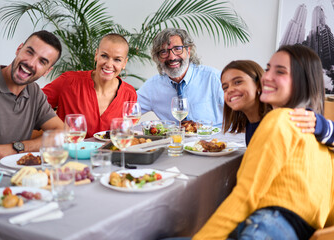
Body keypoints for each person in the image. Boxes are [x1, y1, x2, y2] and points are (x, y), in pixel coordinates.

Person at [193, 45, 334, 240]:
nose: (266, 77)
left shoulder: (280, 120)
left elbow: (245, 195)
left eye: (280, 71)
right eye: (268, 69)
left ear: (302, 81)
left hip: (268, 226)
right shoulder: (316, 135)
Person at [0, 30, 64, 163]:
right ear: (19, 49)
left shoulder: (34, 92)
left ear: (47, 71)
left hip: (18, 178)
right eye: (29, 52)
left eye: (42, 61)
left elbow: (62, 133)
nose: (31, 63)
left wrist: (16, 148)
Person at [221, 60, 334, 148]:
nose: (230, 90)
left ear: (260, 85)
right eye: (225, 87)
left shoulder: (284, 118)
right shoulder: (250, 124)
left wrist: (318, 124)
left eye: (238, 82)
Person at [42, 33, 137, 138]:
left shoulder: (129, 94)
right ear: (96, 55)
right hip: (70, 153)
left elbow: (126, 133)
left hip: (111, 154)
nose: (109, 64)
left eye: (117, 60)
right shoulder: (68, 81)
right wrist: (56, 125)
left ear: (124, 63)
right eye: (104, 56)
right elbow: (33, 106)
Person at [137, 28, 224, 127]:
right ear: (157, 57)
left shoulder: (214, 78)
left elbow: (242, 113)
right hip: (174, 142)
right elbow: (127, 113)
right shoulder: (152, 87)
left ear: (188, 51)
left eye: (177, 49)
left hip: (217, 140)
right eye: (164, 52)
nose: (172, 57)